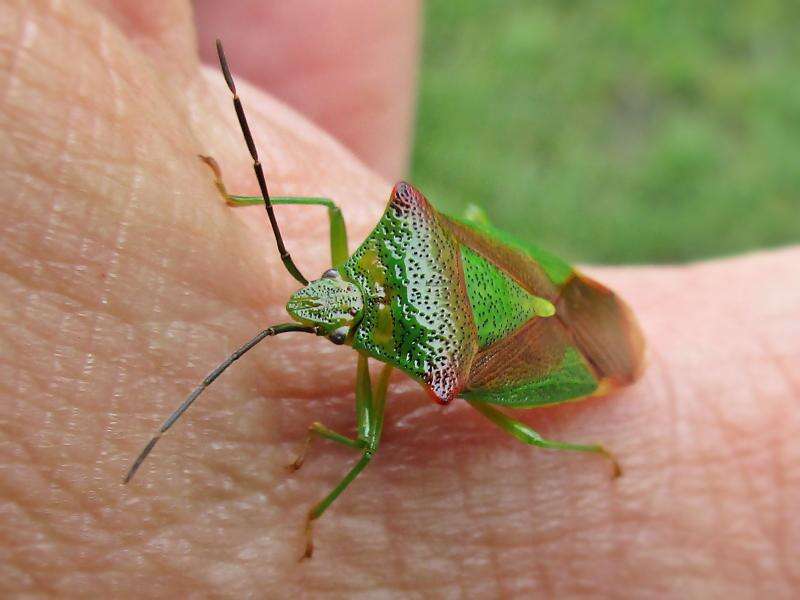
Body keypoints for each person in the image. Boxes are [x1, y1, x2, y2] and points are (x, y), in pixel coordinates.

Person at [1, 2, 797, 596]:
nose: (321, 300)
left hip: (573, 361)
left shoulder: (414, 361)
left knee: (516, 442)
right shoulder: (391, 272)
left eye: (340, 314)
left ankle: (591, 444)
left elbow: (364, 445)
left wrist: (315, 491)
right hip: (538, 293)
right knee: (473, 230)